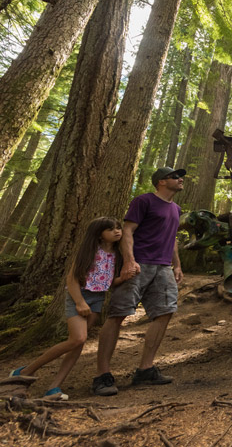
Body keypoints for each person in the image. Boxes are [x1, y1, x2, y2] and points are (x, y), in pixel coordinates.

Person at [9, 217, 133, 400]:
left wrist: (124, 277)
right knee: (78, 338)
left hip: (98, 299)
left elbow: (107, 281)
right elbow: (72, 279)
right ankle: (26, 371)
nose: (117, 231)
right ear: (99, 235)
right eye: (111, 229)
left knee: (77, 343)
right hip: (80, 296)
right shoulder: (90, 251)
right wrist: (80, 302)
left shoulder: (116, 254)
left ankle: (54, 387)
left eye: (118, 228)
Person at [92, 167, 185, 396]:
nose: (180, 179)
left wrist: (177, 265)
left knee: (165, 312)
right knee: (118, 314)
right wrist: (129, 261)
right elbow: (128, 231)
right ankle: (102, 375)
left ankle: (145, 369)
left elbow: (171, 238)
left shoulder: (176, 209)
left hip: (163, 267)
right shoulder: (144, 201)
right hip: (139, 263)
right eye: (175, 176)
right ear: (161, 182)